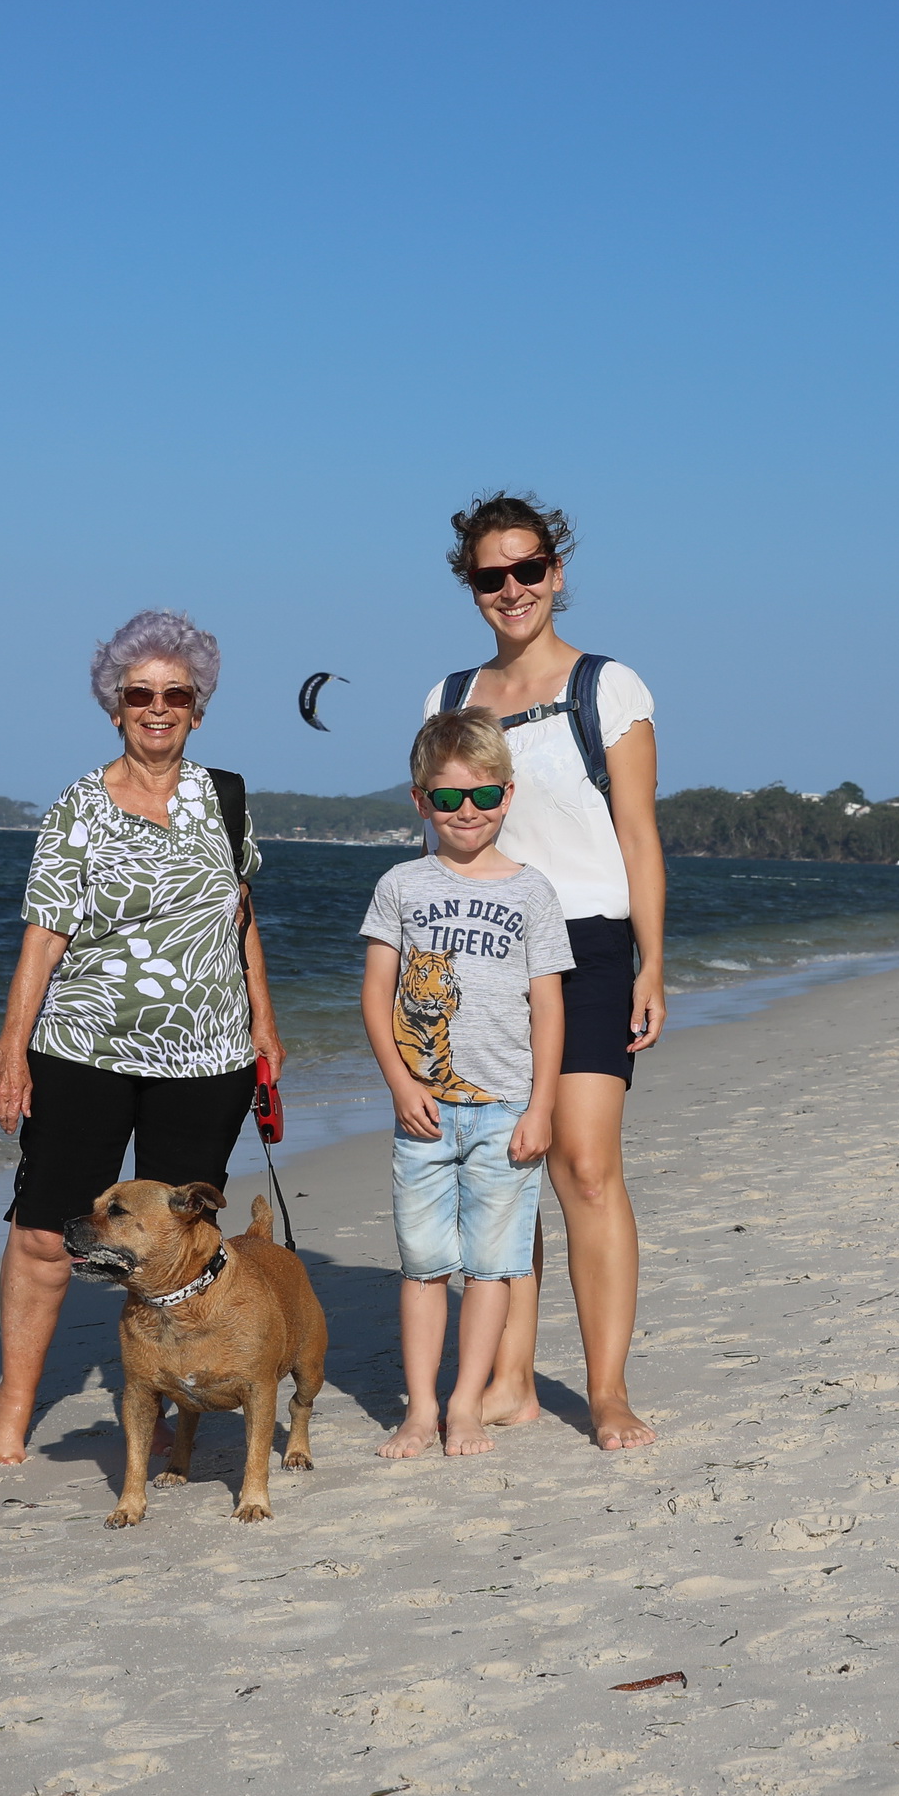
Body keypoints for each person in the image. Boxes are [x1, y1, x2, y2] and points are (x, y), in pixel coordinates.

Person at [0, 610, 282, 1466]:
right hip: (83, 1052)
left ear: (198, 707)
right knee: (45, 1233)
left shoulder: (225, 797)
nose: (157, 708)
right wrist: (11, 1052)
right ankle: (14, 1409)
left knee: (178, 1244)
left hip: (208, 1056)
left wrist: (263, 1018)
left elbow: (240, 912)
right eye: (139, 694)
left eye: (174, 695)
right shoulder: (79, 806)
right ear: (115, 705)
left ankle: (183, 1396)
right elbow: (43, 935)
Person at [420, 493, 665, 1449]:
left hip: (594, 945)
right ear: (472, 587)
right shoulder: (446, 700)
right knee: (502, 1166)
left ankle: (606, 1391)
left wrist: (653, 963)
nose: (512, 589)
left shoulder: (612, 688)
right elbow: (442, 844)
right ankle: (512, 1380)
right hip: (481, 955)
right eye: (492, 576)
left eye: (529, 570)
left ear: (557, 574)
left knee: (588, 1165)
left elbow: (639, 836)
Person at [361, 710, 572, 1460]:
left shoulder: (532, 893)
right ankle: (418, 1410)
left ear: (508, 795)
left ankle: (465, 1407)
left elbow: (548, 1004)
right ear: (422, 802)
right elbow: (376, 994)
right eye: (448, 800)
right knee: (424, 1266)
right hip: (423, 1112)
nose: (467, 813)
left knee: (492, 1267)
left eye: (482, 796)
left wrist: (542, 1105)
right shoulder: (401, 885)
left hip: (506, 1109)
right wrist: (398, 1083)